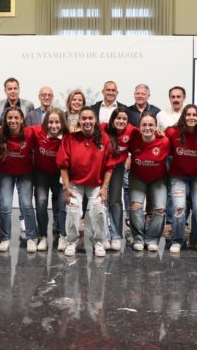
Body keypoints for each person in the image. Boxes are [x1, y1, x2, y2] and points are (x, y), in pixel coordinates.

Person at [57, 107, 114, 257]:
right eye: (84, 118)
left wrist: (105, 188)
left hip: (96, 184)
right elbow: (63, 165)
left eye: (90, 118)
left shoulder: (104, 138)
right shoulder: (70, 137)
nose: (87, 121)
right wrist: (66, 187)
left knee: (99, 209)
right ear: (79, 120)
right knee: (73, 209)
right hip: (75, 183)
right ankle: (71, 241)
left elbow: (109, 166)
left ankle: (99, 241)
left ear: (95, 120)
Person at [166, 104, 197, 252]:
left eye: (194, 115)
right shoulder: (172, 132)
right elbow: (159, 140)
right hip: (177, 176)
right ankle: (177, 240)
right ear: (183, 117)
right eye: (188, 115)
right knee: (179, 208)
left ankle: (195, 240)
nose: (191, 117)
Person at [126, 112, 171, 252]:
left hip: (158, 179)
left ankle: (152, 239)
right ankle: (138, 238)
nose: (147, 128)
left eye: (151, 125)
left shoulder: (164, 141)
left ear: (156, 126)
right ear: (139, 127)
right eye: (144, 125)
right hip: (138, 177)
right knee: (135, 206)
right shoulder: (134, 140)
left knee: (159, 209)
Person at [0, 106, 37, 252]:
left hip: (25, 173)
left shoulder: (30, 132)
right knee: (5, 205)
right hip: (7, 172)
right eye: (10, 118)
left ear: (21, 120)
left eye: (16, 118)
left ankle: (31, 238)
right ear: (5, 120)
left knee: (26, 204)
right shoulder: (0, 133)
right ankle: (5, 238)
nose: (13, 120)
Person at [32, 108, 67, 251]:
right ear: (46, 123)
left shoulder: (67, 136)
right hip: (42, 174)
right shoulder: (37, 131)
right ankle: (43, 237)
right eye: (51, 122)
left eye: (57, 122)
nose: (54, 126)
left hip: (60, 175)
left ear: (62, 123)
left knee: (63, 205)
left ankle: (63, 236)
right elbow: (18, 130)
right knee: (41, 203)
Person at [102, 107, 134, 251]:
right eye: (118, 118)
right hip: (101, 167)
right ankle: (103, 236)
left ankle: (115, 236)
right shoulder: (103, 128)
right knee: (101, 200)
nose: (121, 121)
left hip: (118, 168)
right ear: (112, 119)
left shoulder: (132, 130)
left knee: (115, 200)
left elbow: (147, 136)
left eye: (124, 119)